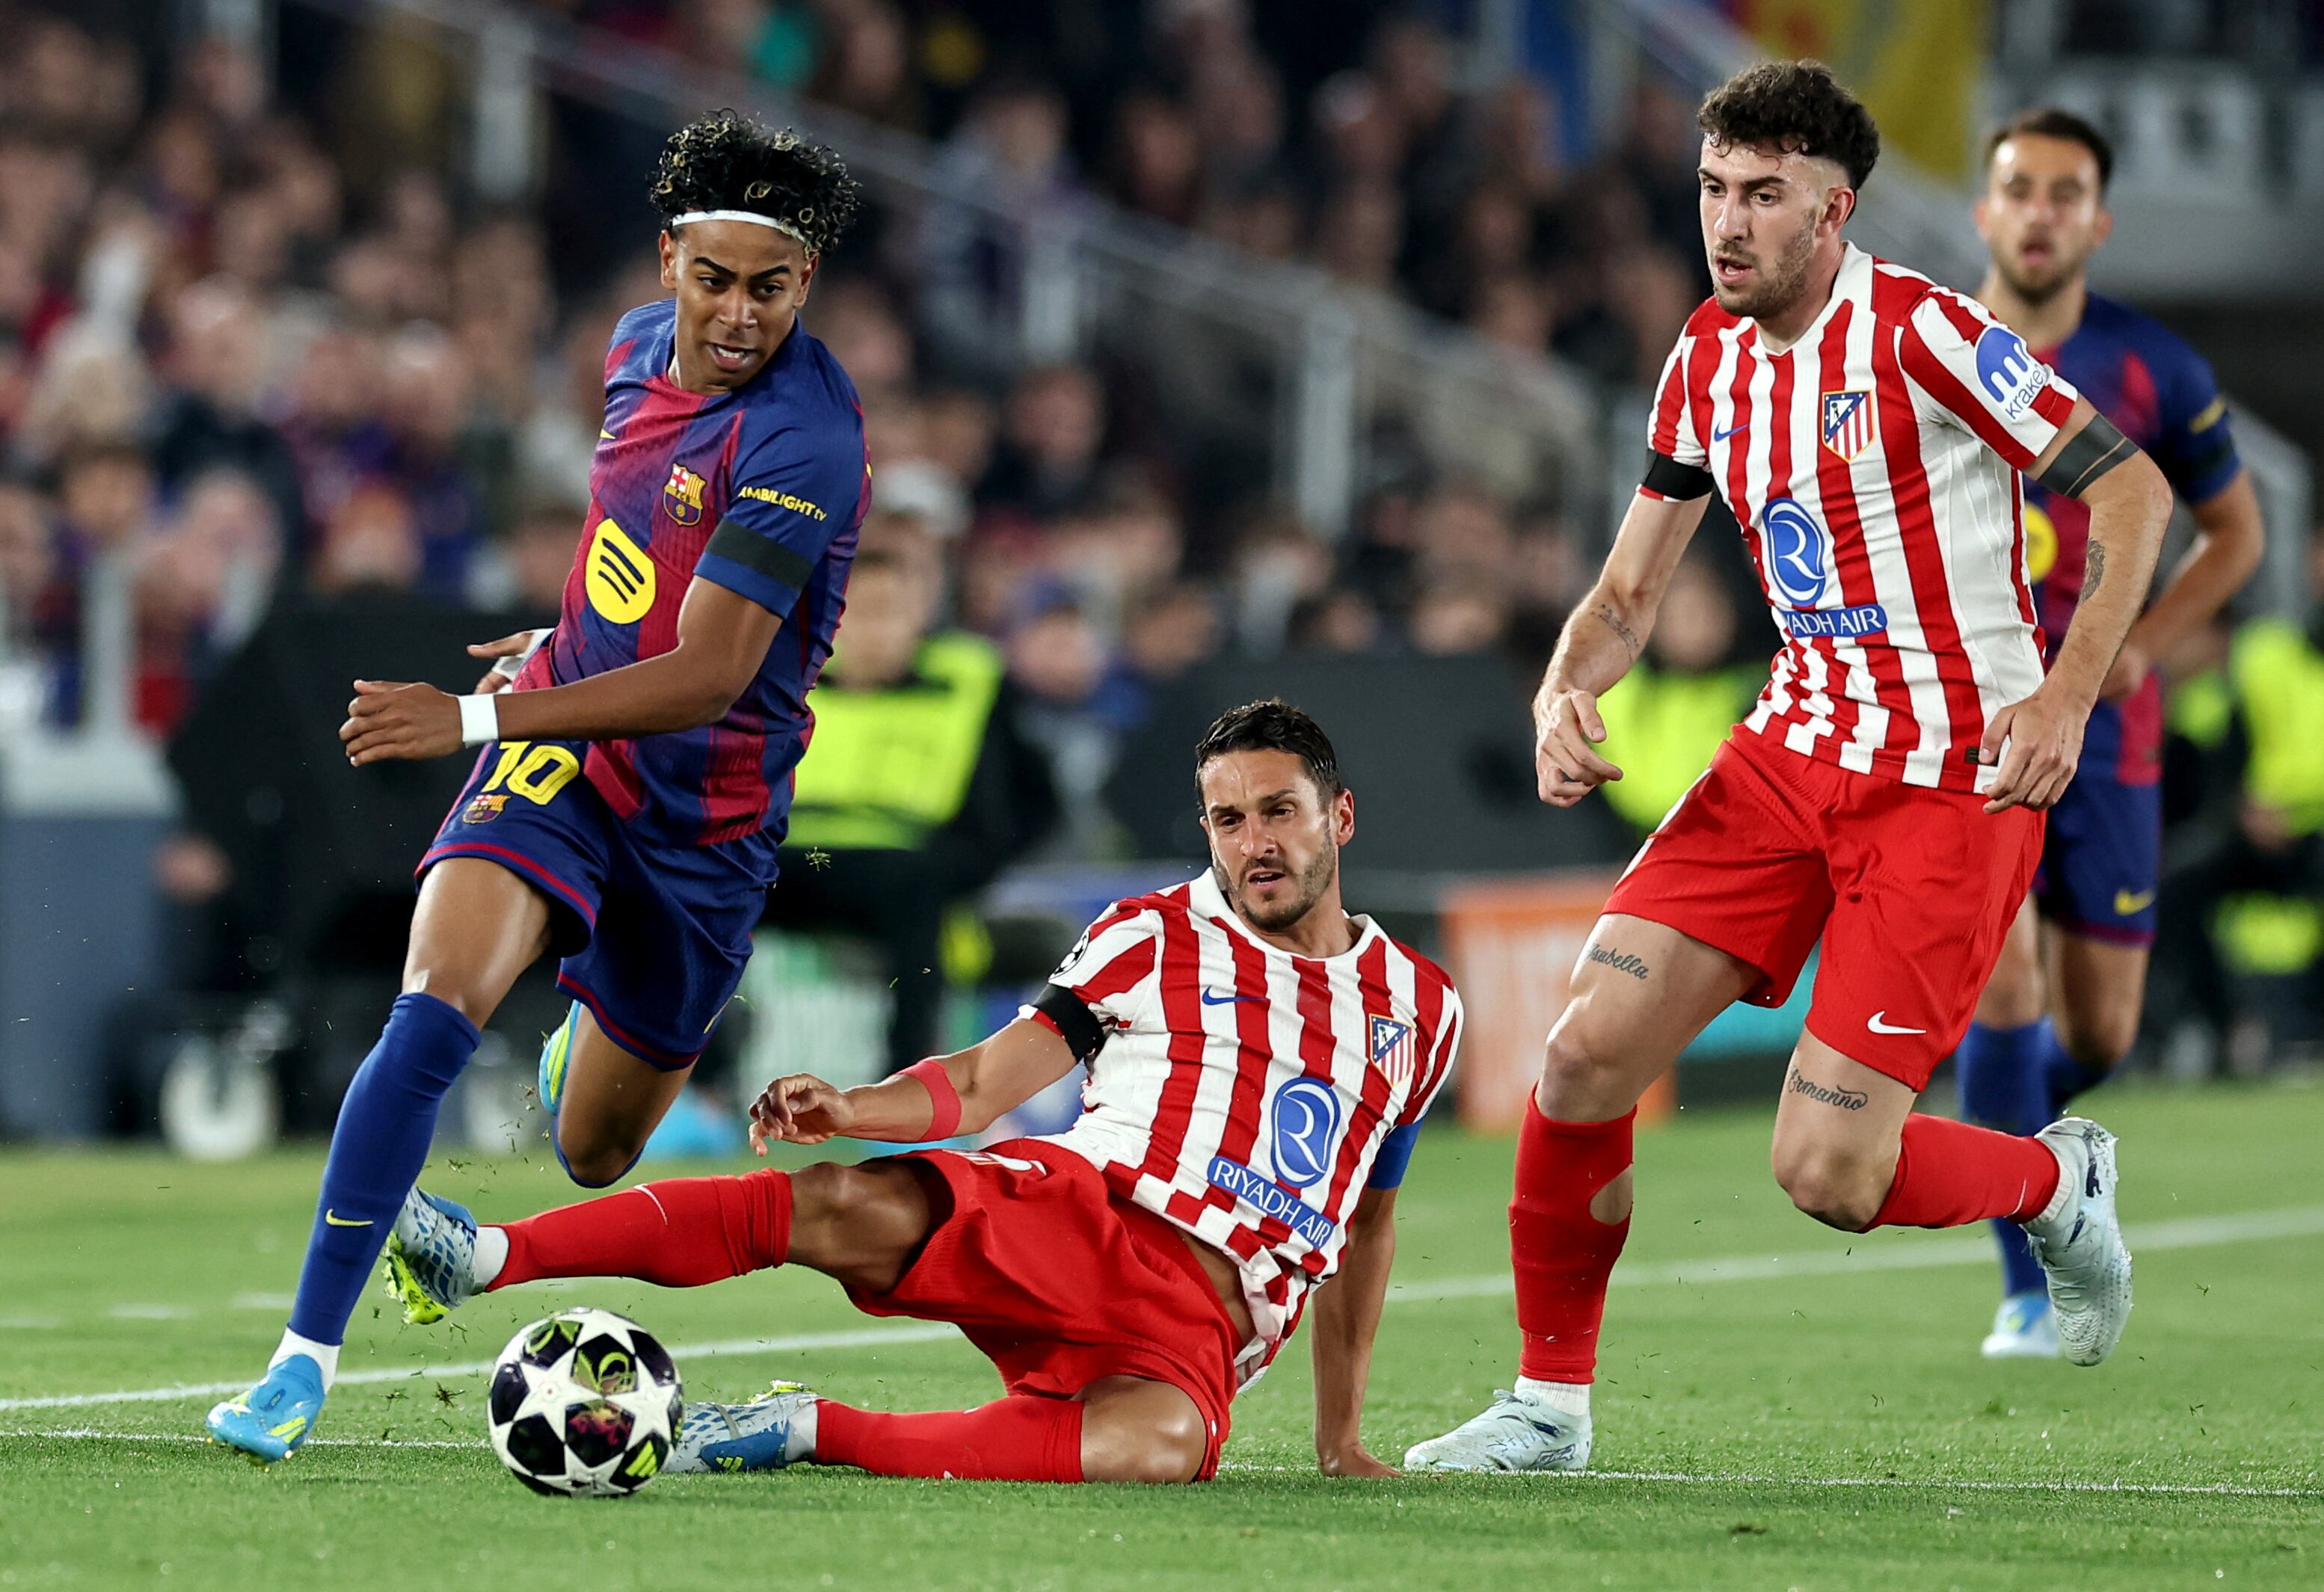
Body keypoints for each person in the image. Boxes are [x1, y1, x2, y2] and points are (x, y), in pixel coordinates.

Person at [1405, 61, 2173, 1475]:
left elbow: (2130, 485)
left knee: (1825, 1173)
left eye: (1763, 194)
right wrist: (1564, 676)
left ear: (1835, 211)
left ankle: (2055, 1175)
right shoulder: (1701, 353)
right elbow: (1630, 589)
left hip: (1949, 777)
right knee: (1578, 1060)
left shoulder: (1928, 334)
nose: (1728, 222)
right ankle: (1546, 1408)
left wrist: (2066, 692)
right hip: (1784, 757)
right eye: (1712, 189)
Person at [206, 111, 871, 1463]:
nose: (737, 315)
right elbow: (626, 539)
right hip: (569, 751)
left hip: (706, 820)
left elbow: (705, 676)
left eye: (770, 287)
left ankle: (583, 1036)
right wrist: (558, 649)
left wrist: (467, 709)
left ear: (805, 285)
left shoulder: (808, 438)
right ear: (670, 257)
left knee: (594, 1151)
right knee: (434, 1008)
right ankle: (298, 1361)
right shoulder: (631, 347)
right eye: (713, 278)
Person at [381, 701, 1460, 1484]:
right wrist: (854, 1108)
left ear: (1341, 816)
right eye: (1228, 821)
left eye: (1280, 812)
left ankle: (810, 1428)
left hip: (1198, 1337)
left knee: (1161, 1452)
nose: (1255, 845)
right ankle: (483, 1255)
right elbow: (990, 1079)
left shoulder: (1424, 1009)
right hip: (1087, 1214)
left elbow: (1367, 1228)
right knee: (843, 1207)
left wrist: (1339, 1439)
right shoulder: (1154, 935)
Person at [1955, 107, 2265, 1357]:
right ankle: (2025, 1288)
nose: (2037, 211)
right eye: (2016, 187)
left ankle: (2058, 1163)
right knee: (2004, 977)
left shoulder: (2149, 368)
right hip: (1971, 718)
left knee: (2098, 1030)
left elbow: (2232, 533)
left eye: (2062, 191)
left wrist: (2138, 635)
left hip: (2108, 730)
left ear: (2097, 219)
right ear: (1981, 211)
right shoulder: (1928, 346)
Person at [763, 514, 1059, 1076]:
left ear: (918, 616)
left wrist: (962, 870)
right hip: (789, 859)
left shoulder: (969, 681)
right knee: (698, 890)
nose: (873, 632)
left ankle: (905, 1084)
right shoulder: (778, 680)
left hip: (900, 870)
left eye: (888, 614)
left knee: (920, 895)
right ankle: (698, 1089)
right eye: (858, 615)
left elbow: (1033, 803)